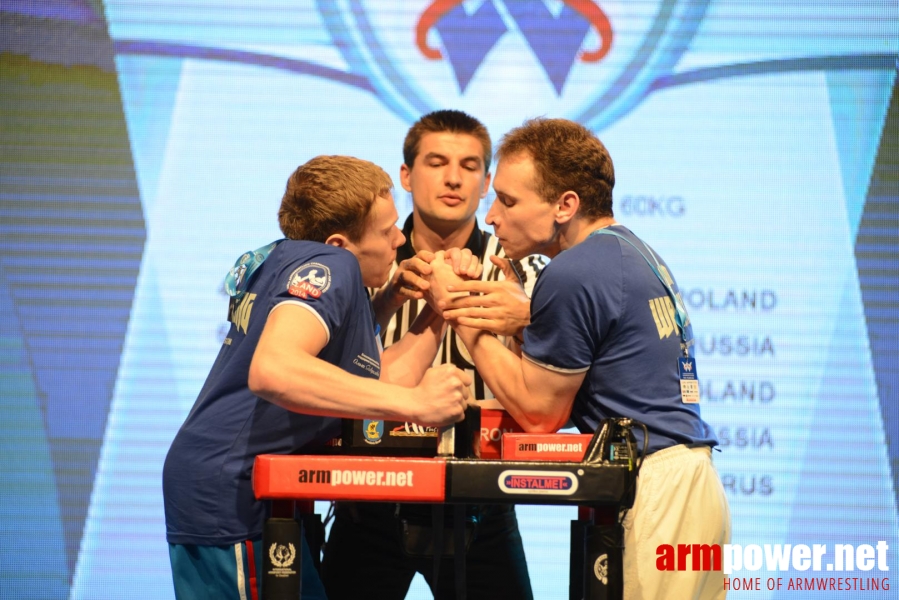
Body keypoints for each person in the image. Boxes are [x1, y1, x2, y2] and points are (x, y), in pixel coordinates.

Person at [429, 118, 731, 600]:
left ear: (565, 205)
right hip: (685, 485)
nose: (491, 217)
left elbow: (538, 413)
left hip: (658, 493)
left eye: (507, 201)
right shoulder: (627, 250)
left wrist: (458, 312)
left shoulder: (574, 272)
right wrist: (528, 321)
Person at [162, 155, 474, 600]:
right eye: (387, 231)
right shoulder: (331, 266)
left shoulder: (291, 257)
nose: (400, 239)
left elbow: (380, 382)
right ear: (339, 244)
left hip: (241, 491)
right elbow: (274, 370)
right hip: (229, 497)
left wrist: (437, 311)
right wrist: (419, 407)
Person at [321, 110, 543, 600]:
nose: (452, 178)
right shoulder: (363, 261)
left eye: (469, 166)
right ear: (405, 175)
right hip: (368, 503)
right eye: (437, 162)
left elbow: (543, 390)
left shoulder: (517, 268)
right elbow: (327, 377)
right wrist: (388, 299)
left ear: (487, 183)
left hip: (482, 503)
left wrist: (514, 314)